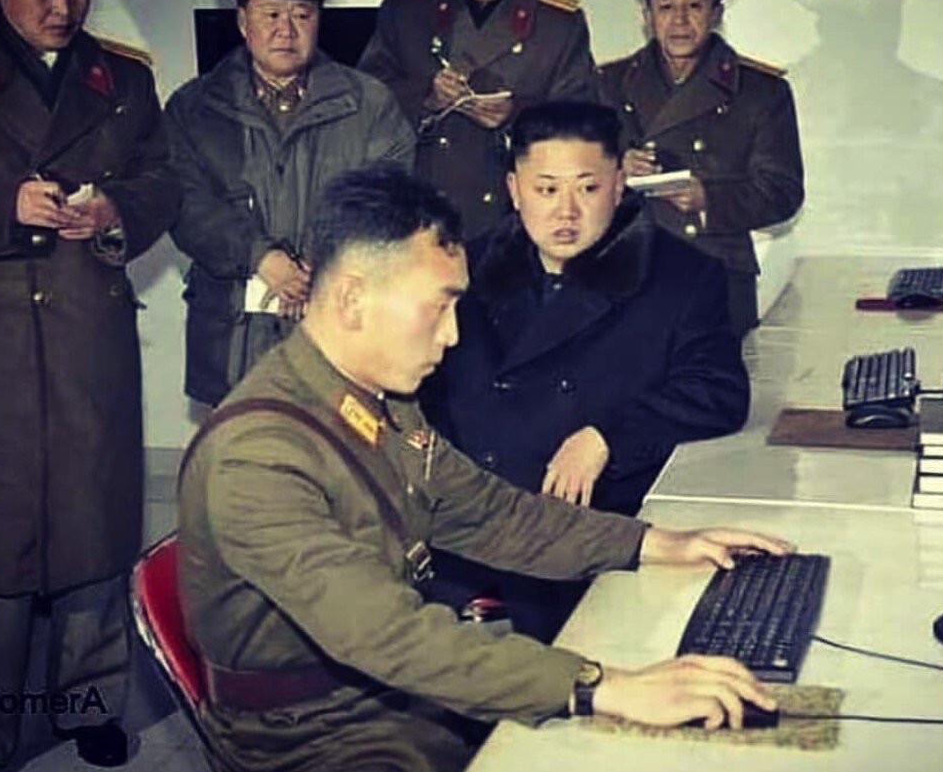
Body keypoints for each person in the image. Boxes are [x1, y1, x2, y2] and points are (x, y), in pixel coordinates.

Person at [178, 166, 791, 772]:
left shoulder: (376, 400)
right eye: (439, 307)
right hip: (313, 733)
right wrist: (600, 686)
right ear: (352, 299)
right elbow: (384, 632)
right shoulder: (258, 456)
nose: (452, 336)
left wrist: (654, 544)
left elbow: (491, 514)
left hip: (397, 691)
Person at [420, 100, 749, 641]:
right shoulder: (462, 270)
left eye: (588, 188)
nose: (565, 212)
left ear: (619, 185)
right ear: (514, 189)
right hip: (467, 538)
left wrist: (606, 437)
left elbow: (717, 391)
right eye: (547, 189)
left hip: (590, 544)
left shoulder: (682, 276)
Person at [0, 0, 179, 767]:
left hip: (87, 337)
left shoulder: (123, 77)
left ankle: (89, 703)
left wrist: (115, 211)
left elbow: (161, 180)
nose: (65, 7)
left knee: (94, 529)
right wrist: (3, 203)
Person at [168, 0, 416, 406]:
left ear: (319, 19)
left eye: (302, 14)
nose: (286, 29)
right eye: (271, 14)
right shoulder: (192, 108)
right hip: (234, 336)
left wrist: (323, 264)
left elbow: (390, 198)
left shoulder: (370, 103)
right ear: (243, 22)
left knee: (341, 445)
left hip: (338, 328)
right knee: (242, 446)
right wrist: (261, 258)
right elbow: (186, 203)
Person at [358, 0, 598, 236]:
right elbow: (365, 97)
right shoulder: (408, 7)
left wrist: (516, 116)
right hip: (414, 213)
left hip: (510, 221)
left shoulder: (557, 22)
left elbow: (583, 121)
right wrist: (427, 97)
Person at [598, 0, 805, 334]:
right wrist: (613, 167)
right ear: (647, 16)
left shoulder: (760, 91)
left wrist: (708, 199)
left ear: (716, 14)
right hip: (626, 272)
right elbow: (564, 172)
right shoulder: (608, 84)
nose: (679, 20)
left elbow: (782, 192)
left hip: (717, 273)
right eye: (665, 6)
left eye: (694, 5)